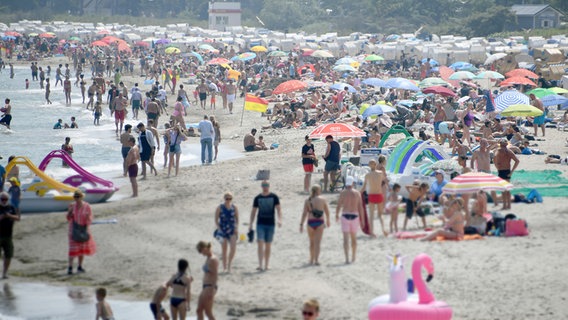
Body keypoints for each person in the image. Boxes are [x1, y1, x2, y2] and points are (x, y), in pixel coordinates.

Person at [249, 180, 282, 271]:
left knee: (268, 245)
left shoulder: (274, 197)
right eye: (263, 185)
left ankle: (266, 265)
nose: (265, 186)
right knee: (260, 243)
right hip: (260, 224)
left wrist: (280, 220)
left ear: (269, 186)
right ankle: (260, 264)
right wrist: (250, 224)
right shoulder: (257, 198)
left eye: (266, 185)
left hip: (271, 224)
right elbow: (253, 211)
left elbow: (279, 209)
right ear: (261, 186)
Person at [66, 190, 96, 275]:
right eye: (75, 197)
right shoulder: (72, 206)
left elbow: (90, 218)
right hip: (73, 230)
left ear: (81, 197)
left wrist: (87, 222)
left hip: (83, 229)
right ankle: (70, 267)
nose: (76, 199)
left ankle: (80, 266)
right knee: (72, 249)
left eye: (78, 197)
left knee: (81, 249)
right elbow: (68, 218)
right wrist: (70, 212)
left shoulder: (87, 206)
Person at [335, 176, 364, 264]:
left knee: (345, 239)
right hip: (354, 215)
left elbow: (339, 205)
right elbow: (360, 207)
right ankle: (353, 257)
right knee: (353, 238)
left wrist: (336, 214)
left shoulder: (343, 193)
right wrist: (362, 220)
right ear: (352, 183)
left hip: (345, 215)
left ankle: (347, 258)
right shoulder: (357, 193)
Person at [300, 185, 330, 266]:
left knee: (311, 242)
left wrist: (301, 224)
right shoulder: (323, 199)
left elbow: (304, 213)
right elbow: (327, 211)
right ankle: (316, 260)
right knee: (318, 242)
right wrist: (328, 220)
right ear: (318, 191)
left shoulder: (307, 200)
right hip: (320, 222)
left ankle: (311, 259)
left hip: (310, 222)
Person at [360, 159, 387, 237]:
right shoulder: (380, 173)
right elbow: (384, 181)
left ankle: (372, 232)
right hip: (379, 194)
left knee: (371, 215)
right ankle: (383, 230)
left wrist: (359, 193)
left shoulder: (367, 175)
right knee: (380, 214)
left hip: (371, 195)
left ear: (369, 165)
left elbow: (364, 187)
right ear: (376, 165)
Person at [214, 192, 239, 273]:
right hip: (223, 230)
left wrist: (236, 228)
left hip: (232, 230)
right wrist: (219, 228)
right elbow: (216, 220)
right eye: (226, 198)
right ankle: (225, 267)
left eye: (230, 198)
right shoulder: (220, 207)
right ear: (224, 199)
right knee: (224, 250)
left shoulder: (234, 207)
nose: (228, 200)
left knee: (233, 248)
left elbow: (237, 219)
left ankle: (229, 265)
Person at [494, 139, 519, 210]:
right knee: (506, 189)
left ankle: (506, 205)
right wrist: (511, 172)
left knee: (504, 189)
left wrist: (511, 172)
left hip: (504, 171)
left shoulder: (503, 151)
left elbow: (517, 161)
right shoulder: (504, 151)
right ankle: (507, 205)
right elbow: (494, 159)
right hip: (505, 171)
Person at [196, 241, 219, 320]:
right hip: (205, 286)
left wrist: (212, 289)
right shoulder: (208, 258)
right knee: (199, 310)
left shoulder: (213, 259)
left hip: (210, 286)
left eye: (201, 251)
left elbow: (215, 275)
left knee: (208, 312)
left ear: (205, 248)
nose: (201, 253)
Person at [0, 192, 20, 279]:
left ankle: (5, 273)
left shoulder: (11, 207)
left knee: (8, 255)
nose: (4, 201)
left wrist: (9, 216)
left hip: (8, 235)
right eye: (2, 199)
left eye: (5, 199)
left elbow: (18, 218)